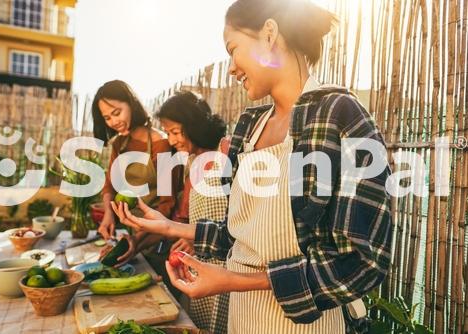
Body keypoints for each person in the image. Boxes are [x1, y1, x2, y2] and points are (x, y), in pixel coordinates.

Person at [112, 0, 392, 333]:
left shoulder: (341, 115)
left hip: (305, 325)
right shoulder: (250, 127)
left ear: (270, 33)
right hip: (242, 320)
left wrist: (233, 279)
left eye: (234, 49)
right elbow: (241, 236)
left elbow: (361, 261)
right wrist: (174, 228)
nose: (231, 67)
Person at [155, 91, 230, 333]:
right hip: (200, 266)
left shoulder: (226, 152)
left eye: (175, 132)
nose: (171, 140)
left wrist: (202, 239)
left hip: (226, 267)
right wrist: (190, 237)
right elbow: (189, 217)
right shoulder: (193, 163)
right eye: (167, 133)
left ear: (194, 125)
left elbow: (242, 217)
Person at [91, 80, 176, 267]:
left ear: (131, 104)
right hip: (130, 236)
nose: (113, 122)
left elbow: (167, 205)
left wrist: (138, 239)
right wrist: (108, 215)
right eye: (107, 118)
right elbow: (109, 186)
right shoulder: (118, 144)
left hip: (156, 238)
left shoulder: (160, 143)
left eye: (116, 113)